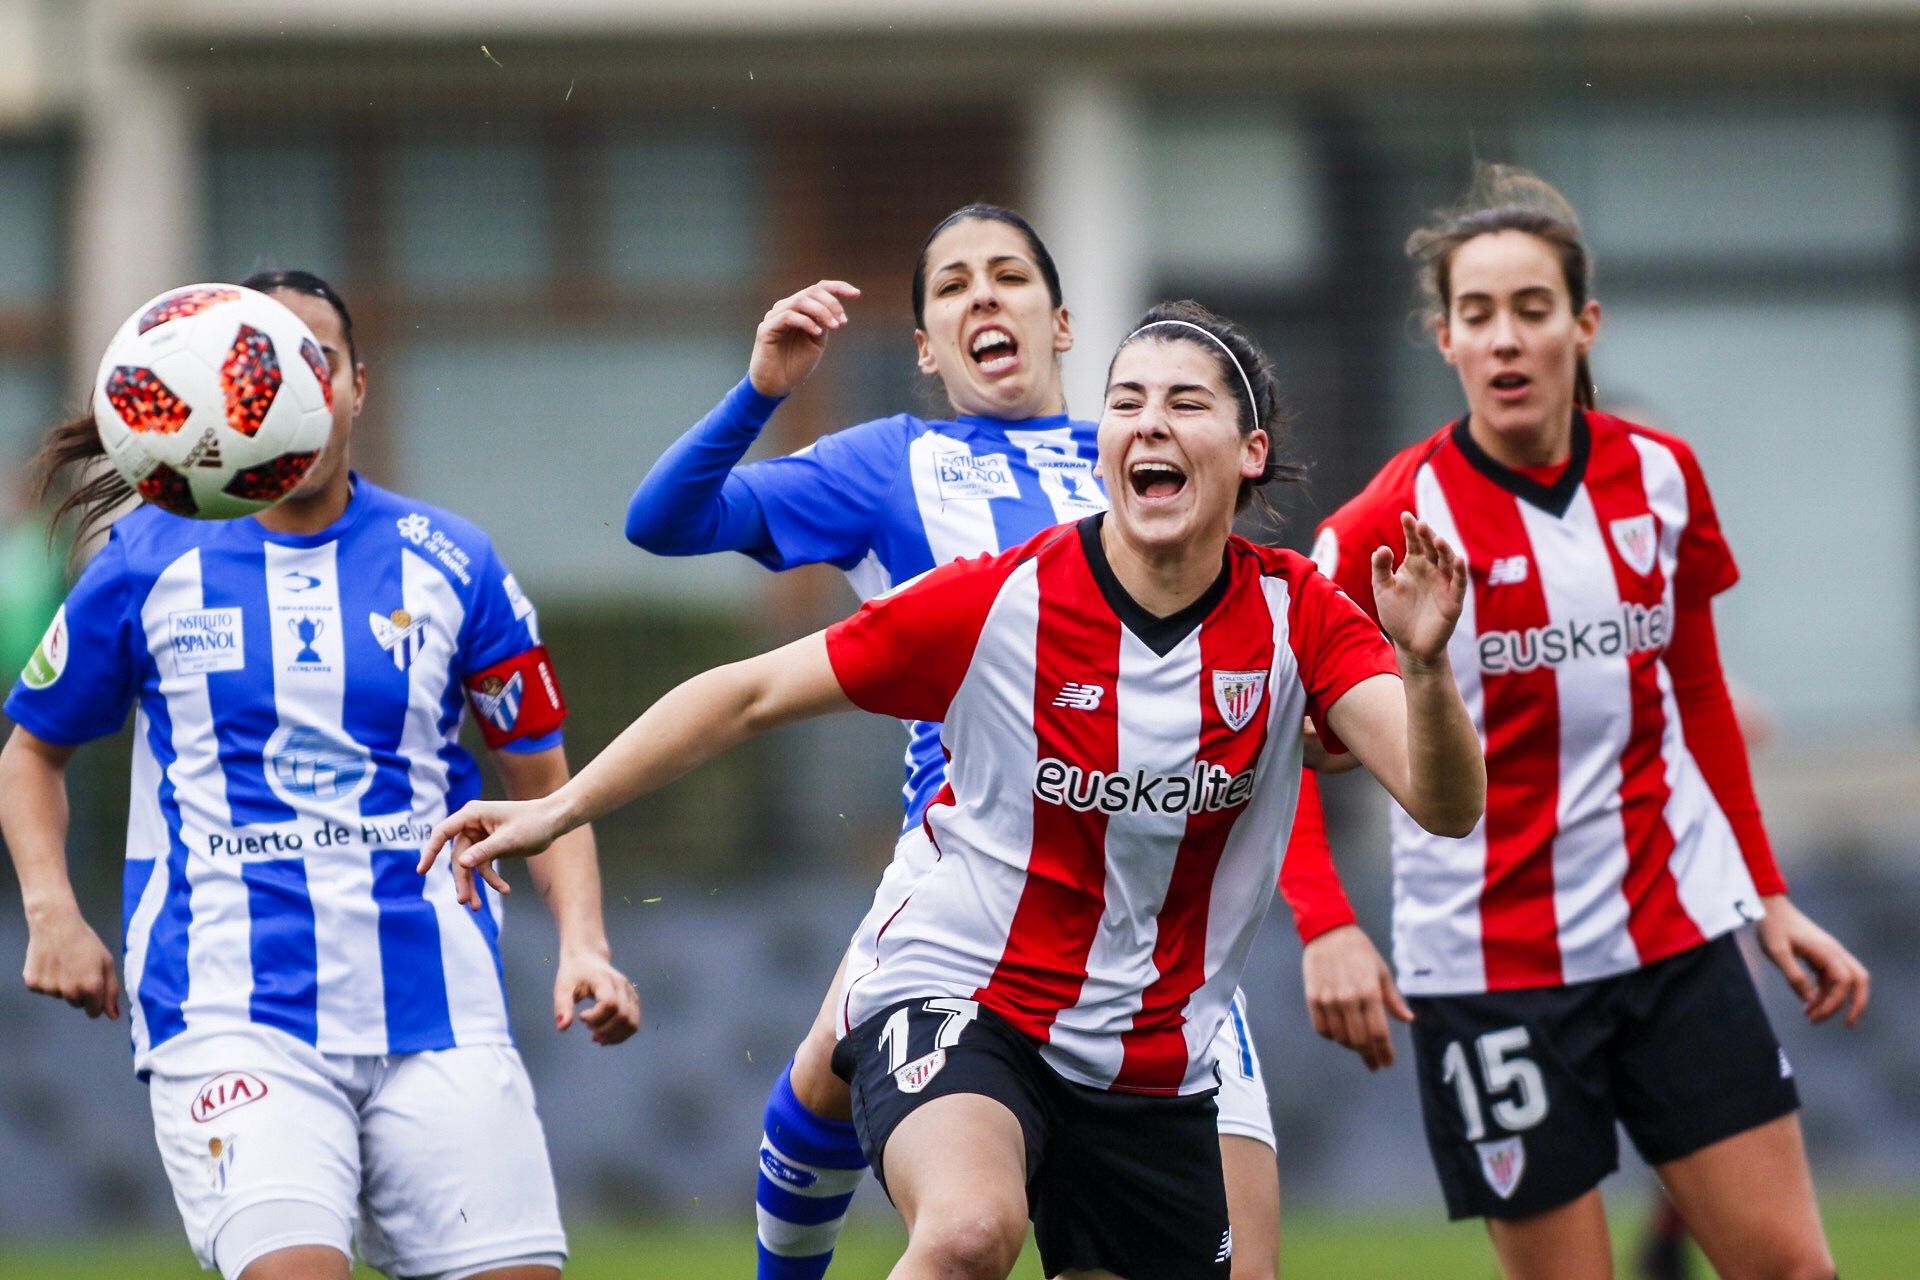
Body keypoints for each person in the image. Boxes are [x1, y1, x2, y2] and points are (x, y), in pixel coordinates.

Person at [428, 301, 1485, 1280]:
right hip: (964, 985)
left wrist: (1429, 671)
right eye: (1126, 401)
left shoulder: (1298, 613)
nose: (1149, 423)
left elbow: (1443, 800)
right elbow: (748, 692)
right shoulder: (1004, 597)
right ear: (1104, 444)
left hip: (1152, 1051)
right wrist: (559, 806)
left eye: (1186, 402)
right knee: (972, 1229)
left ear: (1249, 453)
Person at [625, 204, 1394, 1280]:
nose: (985, 295)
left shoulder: (1153, 461)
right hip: (972, 873)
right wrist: (761, 390)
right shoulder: (891, 462)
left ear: (1065, 323)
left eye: (1010, 276)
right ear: (929, 349)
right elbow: (664, 521)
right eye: (953, 286)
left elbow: (1250, 714)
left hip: (1160, 928)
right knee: (837, 1080)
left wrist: (1323, 915)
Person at [0, 270, 641, 1280]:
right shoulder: (143, 560)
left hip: (442, 1012)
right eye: (264, 362)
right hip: (230, 1011)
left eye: (319, 358)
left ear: (353, 387)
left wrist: (585, 944)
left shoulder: (455, 560)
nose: (293, 385)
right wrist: (50, 909)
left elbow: (547, 792)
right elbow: (31, 750)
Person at [1293, 165, 1870, 1280]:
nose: (1505, 339)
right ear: (1444, 339)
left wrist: (1770, 898)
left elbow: (1695, 693)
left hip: (1672, 936)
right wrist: (1324, 920)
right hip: (1487, 970)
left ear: (1582, 323)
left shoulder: (1661, 477)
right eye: (1476, 315)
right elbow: (1287, 734)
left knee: (1796, 1266)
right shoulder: (1387, 521)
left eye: (1531, 308)